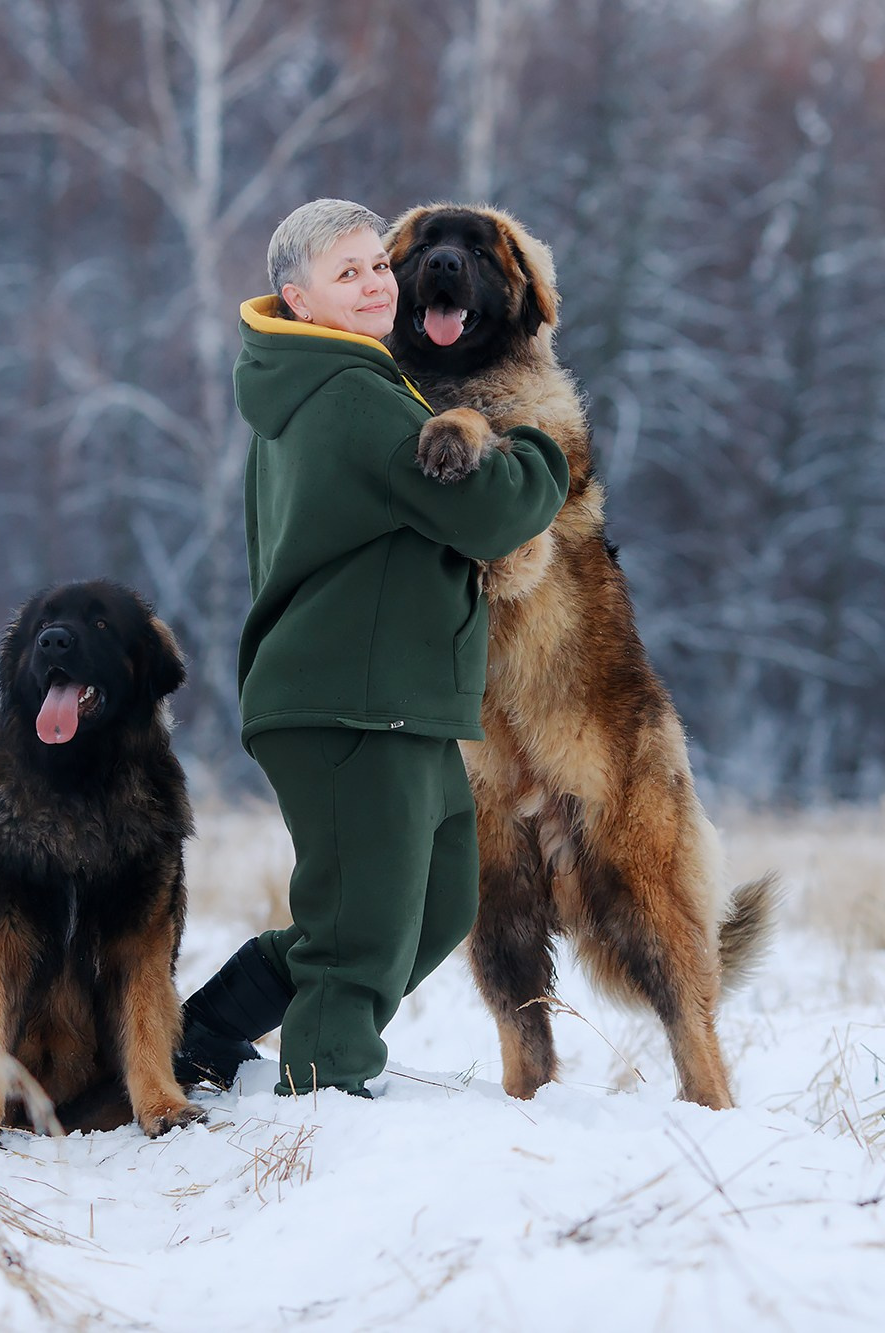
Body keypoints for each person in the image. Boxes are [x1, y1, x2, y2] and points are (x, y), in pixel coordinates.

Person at [175, 198, 570, 1097]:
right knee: (363, 933)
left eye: (376, 267)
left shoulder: (345, 382)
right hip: (350, 698)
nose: (374, 284)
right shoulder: (350, 395)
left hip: (396, 699)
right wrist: (545, 448)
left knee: (433, 909)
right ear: (298, 298)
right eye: (346, 273)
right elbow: (494, 507)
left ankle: (202, 1031)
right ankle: (326, 1101)